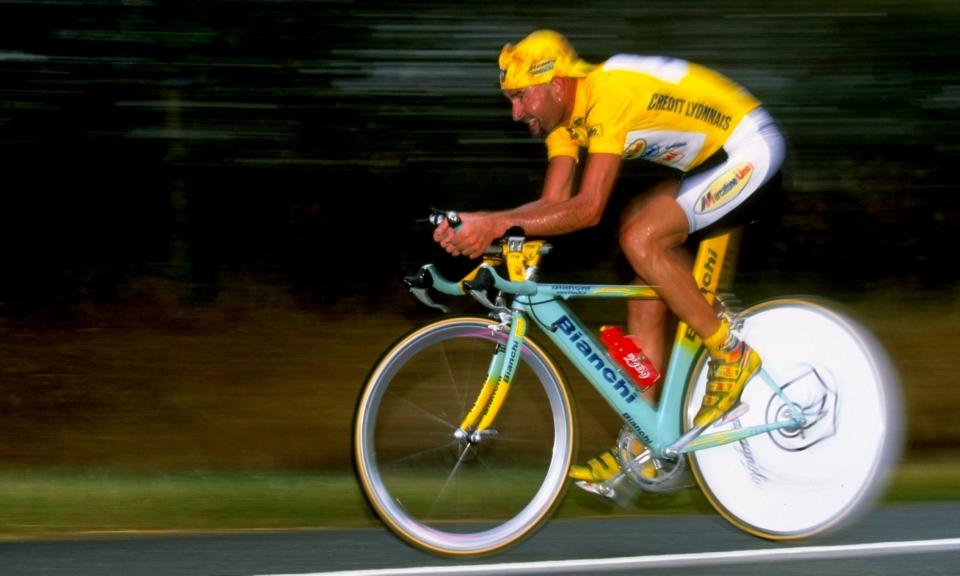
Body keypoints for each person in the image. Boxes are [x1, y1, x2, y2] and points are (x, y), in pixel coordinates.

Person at [433, 29, 785, 485]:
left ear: (556, 85)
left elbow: (586, 209)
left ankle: (731, 353)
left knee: (640, 238)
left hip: (750, 149)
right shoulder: (563, 122)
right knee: (644, 285)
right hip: (711, 163)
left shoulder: (607, 93)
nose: (515, 112)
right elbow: (551, 205)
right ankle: (649, 439)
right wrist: (482, 221)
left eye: (521, 97)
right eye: (510, 99)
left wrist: (495, 226)